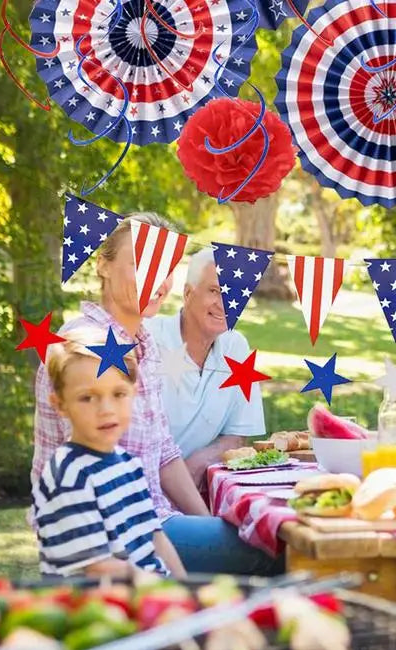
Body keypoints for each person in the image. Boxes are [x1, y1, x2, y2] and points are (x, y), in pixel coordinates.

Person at [31, 212, 280, 576]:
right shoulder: (87, 346)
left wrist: (206, 523)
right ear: (102, 265)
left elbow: (164, 451)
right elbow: (83, 488)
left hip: (151, 520)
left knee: (262, 534)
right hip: (106, 540)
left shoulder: (144, 345)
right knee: (275, 548)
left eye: (165, 267)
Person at [33, 329, 185, 579]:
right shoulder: (69, 477)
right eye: (87, 398)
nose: (106, 409)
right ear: (60, 404)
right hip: (99, 598)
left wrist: (184, 589)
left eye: (118, 394)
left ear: (133, 393)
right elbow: (98, 569)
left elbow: (156, 537)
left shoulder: (128, 464)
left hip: (147, 591)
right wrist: (160, 588)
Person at [145, 248, 266, 492]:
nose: (225, 304)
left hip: (197, 492)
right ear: (188, 294)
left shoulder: (236, 346)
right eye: (214, 291)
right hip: (144, 488)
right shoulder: (149, 339)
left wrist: (197, 463)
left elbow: (237, 436)